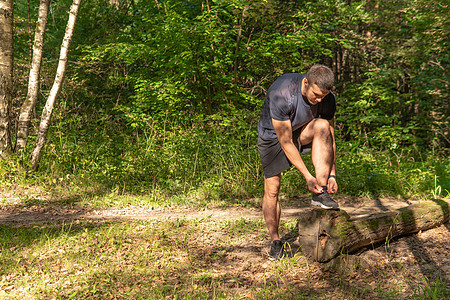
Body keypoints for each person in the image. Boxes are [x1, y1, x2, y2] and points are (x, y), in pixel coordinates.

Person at [257, 65, 339, 260]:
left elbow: (330, 135)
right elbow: (285, 141)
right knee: (273, 189)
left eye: (323, 96)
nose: (319, 100)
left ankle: (321, 193)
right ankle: (275, 241)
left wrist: (332, 173)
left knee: (322, 125)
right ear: (305, 83)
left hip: (300, 130)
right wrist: (307, 176)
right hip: (273, 137)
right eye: (316, 95)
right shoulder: (282, 92)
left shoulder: (327, 98)